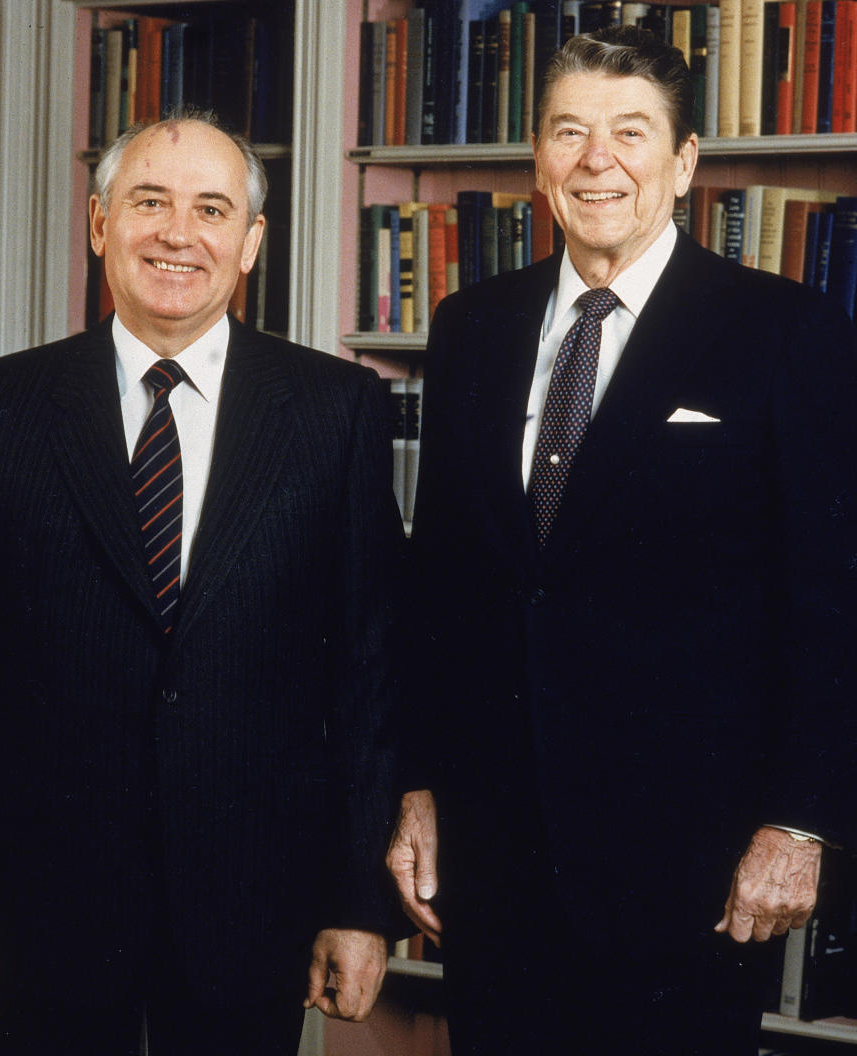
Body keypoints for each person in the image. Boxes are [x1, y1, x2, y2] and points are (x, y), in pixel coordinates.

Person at [386, 26, 857, 1056]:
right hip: (495, 847)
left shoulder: (788, 333)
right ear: (538, 161)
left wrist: (801, 822)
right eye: (570, 132)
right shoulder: (472, 328)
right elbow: (442, 586)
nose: (598, 160)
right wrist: (417, 786)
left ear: (684, 163)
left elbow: (833, 602)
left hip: (688, 861)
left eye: (631, 132)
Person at [0, 113, 403, 1054]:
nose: (179, 234)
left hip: (256, 915)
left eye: (212, 209)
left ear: (251, 242)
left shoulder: (338, 412)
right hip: (43, 914)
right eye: (149, 203)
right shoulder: (8, 406)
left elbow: (369, 681)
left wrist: (357, 904)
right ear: (99, 224)